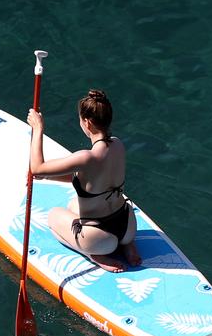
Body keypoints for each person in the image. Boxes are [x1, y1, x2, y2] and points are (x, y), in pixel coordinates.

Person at [27, 89, 141, 272]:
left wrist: (37, 128)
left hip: (100, 238)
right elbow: (89, 179)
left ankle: (94, 255)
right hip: (128, 227)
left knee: (54, 215)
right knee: (74, 204)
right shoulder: (118, 145)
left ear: (87, 123)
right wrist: (47, 175)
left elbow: (36, 167)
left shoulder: (85, 158)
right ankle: (127, 245)